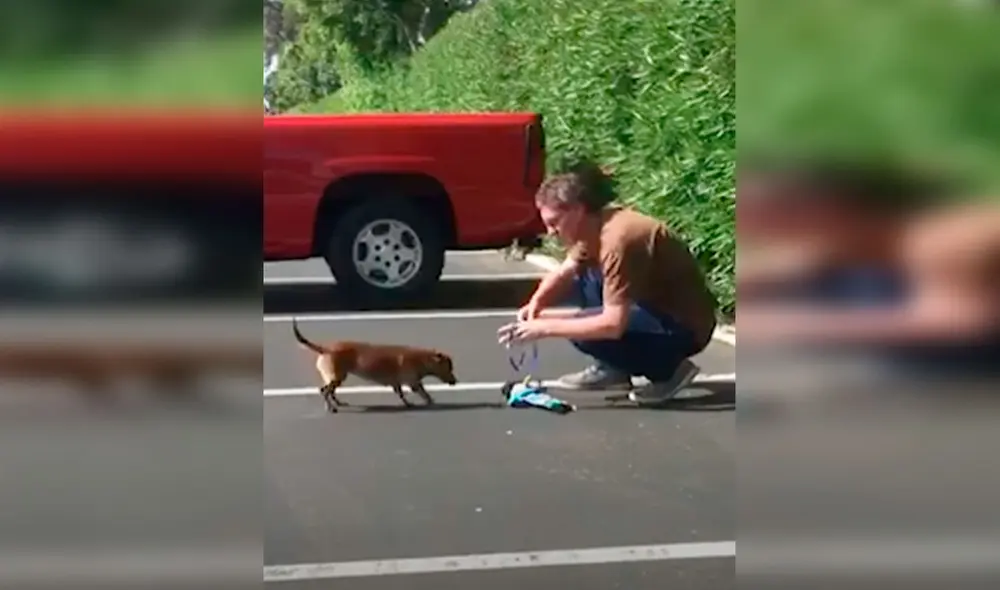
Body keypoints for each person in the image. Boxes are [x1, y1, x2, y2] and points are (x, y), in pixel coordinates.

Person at [497, 162, 719, 403]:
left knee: (583, 332)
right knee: (583, 276)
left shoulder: (619, 241)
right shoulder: (595, 226)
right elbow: (564, 272)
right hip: (654, 307)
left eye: (554, 222)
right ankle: (613, 368)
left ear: (577, 210)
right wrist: (536, 305)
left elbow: (613, 325)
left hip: (684, 326)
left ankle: (670, 372)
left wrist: (544, 327)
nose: (550, 232)